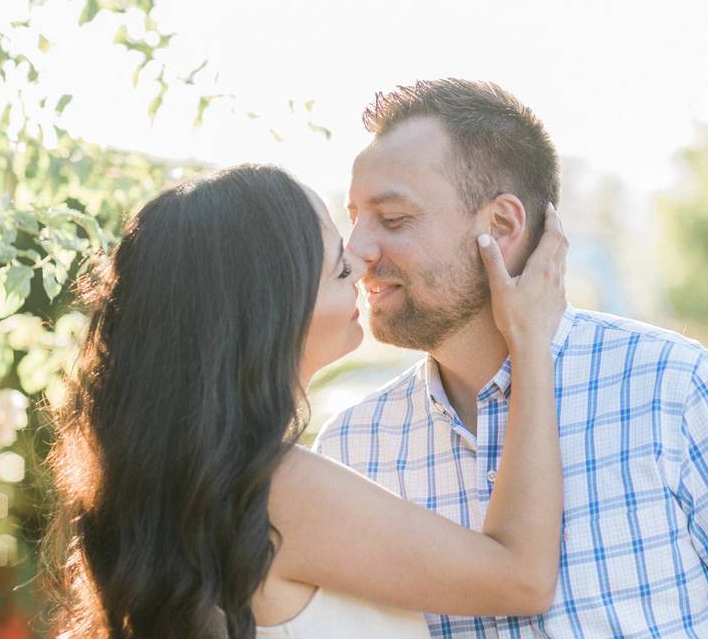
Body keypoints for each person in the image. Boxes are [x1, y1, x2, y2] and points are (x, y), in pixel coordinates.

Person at [315, 78, 708, 638]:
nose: (356, 251)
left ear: (501, 227)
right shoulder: (350, 452)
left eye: (394, 218)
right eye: (354, 216)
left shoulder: (683, 398)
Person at [43, 163, 569, 638]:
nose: (363, 270)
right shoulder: (276, 490)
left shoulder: (188, 482)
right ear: (269, 314)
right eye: (340, 270)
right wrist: (529, 340)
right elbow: (521, 579)